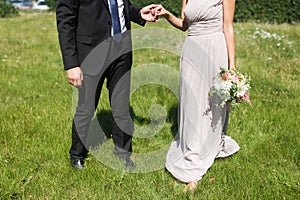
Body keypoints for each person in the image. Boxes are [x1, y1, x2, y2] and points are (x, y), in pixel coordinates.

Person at [56, 0, 159, 170]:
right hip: (91, 53)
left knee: (121, 107)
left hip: (122, 52)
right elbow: (65, 21)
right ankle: (77, 154)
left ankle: (123, 154)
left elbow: (120, 9)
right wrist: (72, 65)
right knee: (86, 108)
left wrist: (138, 13)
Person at [156, 0, 240, 191]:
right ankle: (192, 147)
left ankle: (193, 169)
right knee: (191, 104)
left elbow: (228, 27)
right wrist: (167, 14)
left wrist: (232, 66)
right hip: (191, 50)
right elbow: (185, 25)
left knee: (209, 104)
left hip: (213, 49)